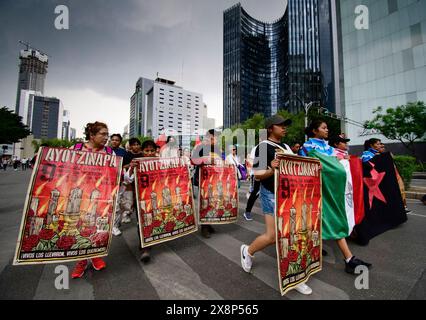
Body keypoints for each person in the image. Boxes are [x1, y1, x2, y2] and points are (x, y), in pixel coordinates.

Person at [240, 115, 313, 295]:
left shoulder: (287, 147)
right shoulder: (263, 147)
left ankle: (296, 277)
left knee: (292, 234)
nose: (284, 128)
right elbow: (257, 175)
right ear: (271, 128)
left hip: (290, 195)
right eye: (281, 125)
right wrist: (272, 168)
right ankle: (247, 251)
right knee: (272, 236)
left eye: (285, 125)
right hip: (271, 194)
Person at [301, 120, 372, 274]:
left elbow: (335, 164)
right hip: (317, 191)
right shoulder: (307, 147)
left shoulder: (327, 147)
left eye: (327, 128)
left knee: (328, 219)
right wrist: (337, 162)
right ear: (314, 130)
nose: (327, 130)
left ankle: (342, 256)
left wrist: (343, 161)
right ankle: (347, 258)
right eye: (324, 128)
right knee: (323, 220)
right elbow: (310, 167)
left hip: (333, 189)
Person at [71, 122, 114, 279]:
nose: (106, 137)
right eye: (103, 134)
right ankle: (81, 261)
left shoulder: (110, 152)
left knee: (99, 229)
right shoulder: (75, 150)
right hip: (79, 197)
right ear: (91, 135)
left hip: (102, 197)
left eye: (107, 134)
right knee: (80, 230)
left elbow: (115, 172)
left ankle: (96, 255)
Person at [191, 129, 223, 239]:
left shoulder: (217, 149)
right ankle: (204, 227)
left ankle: (209, 224)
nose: (215, 139)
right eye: (213, 137)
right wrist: (207, 159)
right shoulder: (200, 147)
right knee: (204, 203)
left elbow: (220, 162)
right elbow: (193, 160)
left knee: (212, 203)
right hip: (203, 180)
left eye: (217, 137)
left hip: (214, 180)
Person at [243, 145, 260, 221]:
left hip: (269, 173)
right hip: (257, 173)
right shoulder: (256, 148)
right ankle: (247, 211)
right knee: (255, 192)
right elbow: (250, 161)